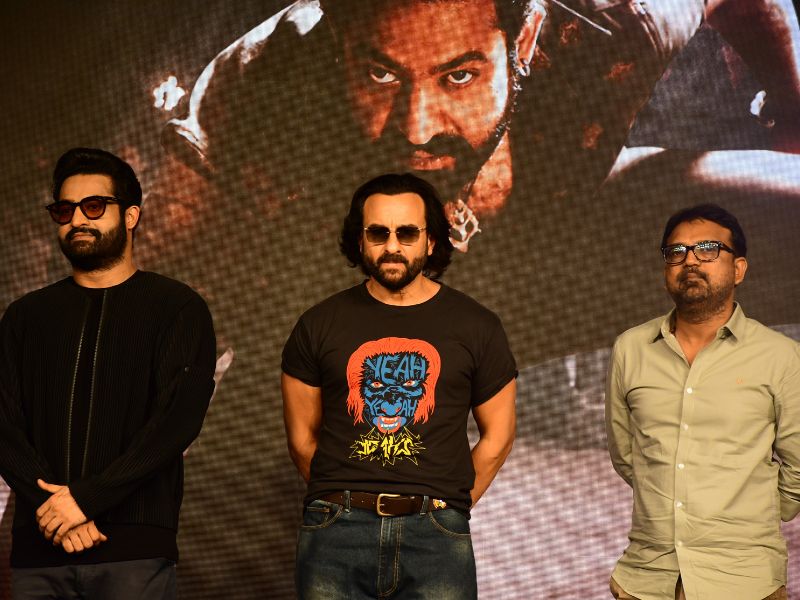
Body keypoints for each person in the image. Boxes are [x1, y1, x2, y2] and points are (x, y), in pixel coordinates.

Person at [159, 0, 800, 250]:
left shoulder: (611, 28)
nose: (416, 128)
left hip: (554, 233)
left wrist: (792, 107)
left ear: (524, 40)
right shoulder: (261, 82)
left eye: (459, 76)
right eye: (381, 74)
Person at [281, 173, 517, 598]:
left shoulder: (477, 326)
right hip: (335, 531)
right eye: (378, 233)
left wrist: (447, 505)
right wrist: (340, 495)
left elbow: (498, 437)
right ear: (360, 241)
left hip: (436, 537)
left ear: (431, 241)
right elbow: (301, 440)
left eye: (407, 233)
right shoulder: (317, 324)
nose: (392, 246)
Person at [0, 148, 217, 599]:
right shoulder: (24, 317)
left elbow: (176, 422)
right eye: (65, 210)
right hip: (40, 550)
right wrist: (55, 508)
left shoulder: (177, 308)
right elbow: (2, 424)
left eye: (94, 206)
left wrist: (86, 499)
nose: (77, 219)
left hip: (133, 552)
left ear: (131, 215)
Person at [605, 203, 800, 600]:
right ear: (666, 270)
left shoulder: (780, 355)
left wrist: (747, 517)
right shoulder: (630, 348)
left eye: (708, 249)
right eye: (676, 252)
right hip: (647, 579)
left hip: (744, 581)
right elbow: (627, 456)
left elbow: (798, 468)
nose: (690, 260)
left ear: (739, 269)